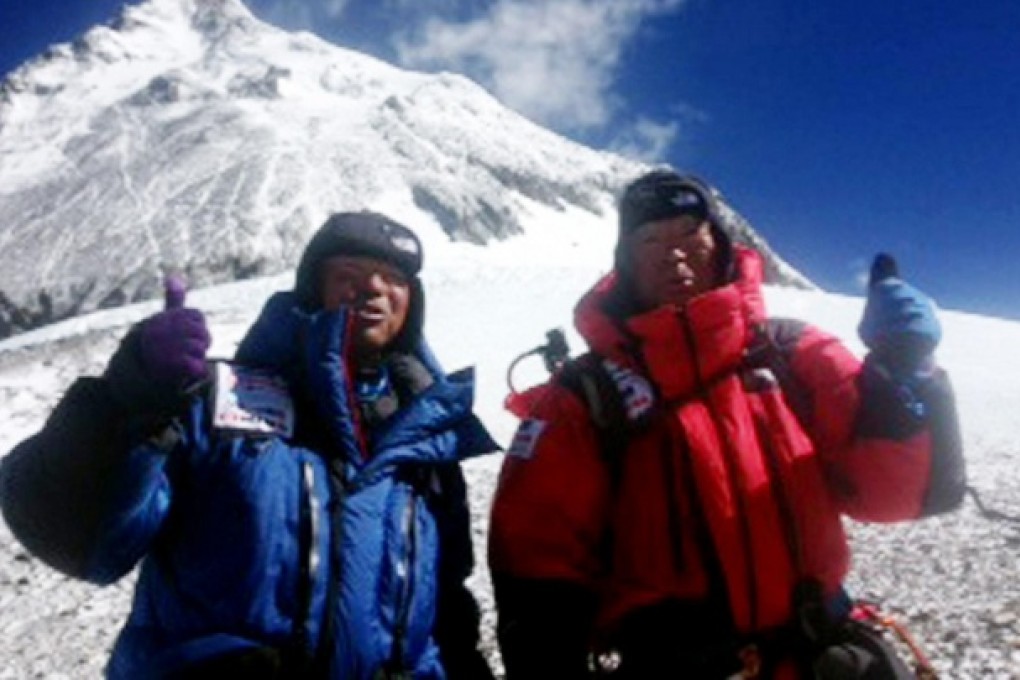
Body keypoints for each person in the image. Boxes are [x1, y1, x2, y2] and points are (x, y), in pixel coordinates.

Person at [488, 170, 965, 679]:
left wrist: (905, 375)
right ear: (625, 262)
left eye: (690, 232)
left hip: (814, 657)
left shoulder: (794, 353)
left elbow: (894, 495)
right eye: (651, 238)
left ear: (718, 243)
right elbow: (537, 561)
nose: (674, 253)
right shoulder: (583, 396)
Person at [0, 211, 498, 679]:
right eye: (350, 271)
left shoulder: (427, 442)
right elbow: (86, 542)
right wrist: (130, 399)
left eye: (394, 278)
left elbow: (446, 601)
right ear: (311, 288)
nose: (374, 287)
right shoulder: (217, 403)